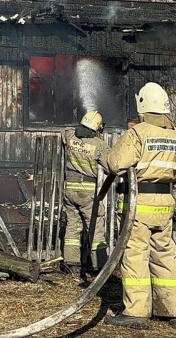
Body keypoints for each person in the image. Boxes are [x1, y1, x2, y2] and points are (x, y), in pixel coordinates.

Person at [104, 82, 176, 329]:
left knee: (135, 256)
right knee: (165, 256)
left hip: (139, 204)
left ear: (142, 105)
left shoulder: (139, 132)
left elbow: (115, 163)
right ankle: (170, 310)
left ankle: (136, 312)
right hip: (166, 205)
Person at [61, 110, 110, 274]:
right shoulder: (99, 144)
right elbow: (111, 166)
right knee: (95, 227)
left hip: (69, 190)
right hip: (88, 191)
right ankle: (99, 265)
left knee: (72, 226)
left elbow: (65, 130)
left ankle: (72, 264)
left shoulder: (70, 136)